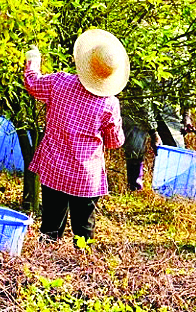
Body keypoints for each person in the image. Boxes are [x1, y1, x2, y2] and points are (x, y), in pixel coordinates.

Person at [24, 29, 127, 242]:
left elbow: (33, 84)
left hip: (54, 168)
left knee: (50, 227)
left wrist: (33, 60)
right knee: (84, 231)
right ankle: (83, 261)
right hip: (85, 177)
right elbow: (114, 142)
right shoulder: (109, 103)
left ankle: (44, 260)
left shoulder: (59, 83)